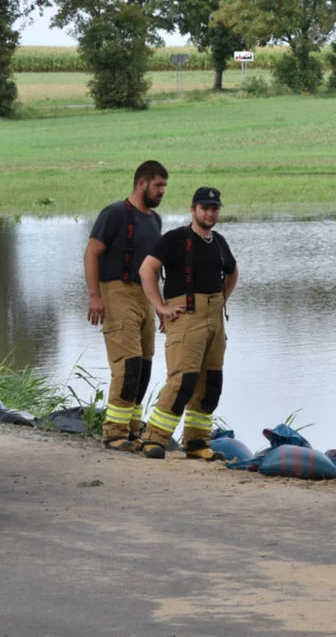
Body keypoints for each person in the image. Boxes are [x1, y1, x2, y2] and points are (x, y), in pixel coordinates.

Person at [135, 187, 239, 460]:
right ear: (193, 209)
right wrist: (160, 306)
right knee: (183, 381)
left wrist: (222, 298)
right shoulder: (175, 239)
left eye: (214, 208)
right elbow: (146, 269)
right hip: (186, 318)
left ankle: (196, 443)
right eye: (204, 208)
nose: (210, 212)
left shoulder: (218, 241)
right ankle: (154, 438)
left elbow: (233, 271)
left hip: (215, 319)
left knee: (211, 383)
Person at [85, 161, 169, 451]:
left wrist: (160, 306)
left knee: (144, 366)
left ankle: (132, 431)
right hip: (116, 292)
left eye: (164, 187)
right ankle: (113, 433)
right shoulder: (115, 213)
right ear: (141, 183)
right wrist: (95, 295)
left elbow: (154, 268)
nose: (162, 191)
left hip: (145, 296)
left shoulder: (155, 220)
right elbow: (92, 253)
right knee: (128, 364)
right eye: (158, 185)